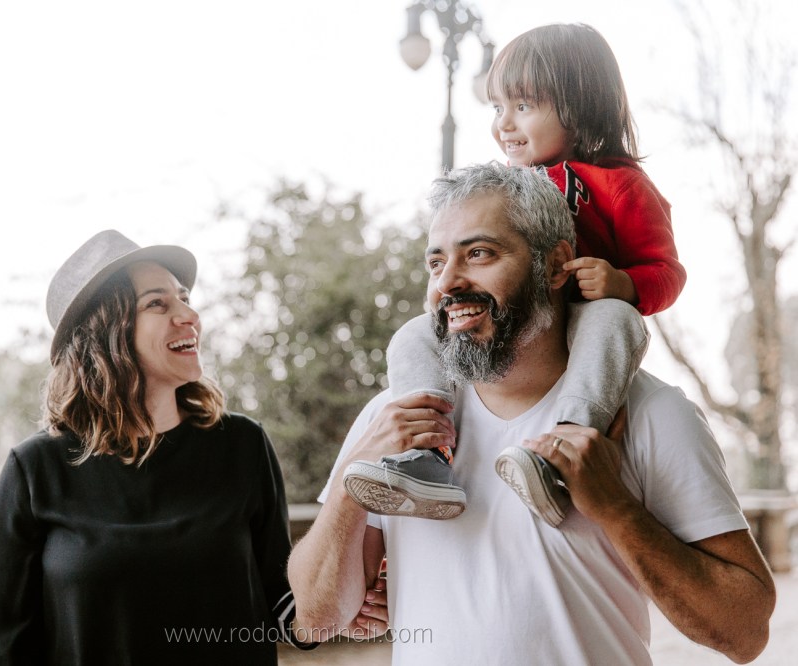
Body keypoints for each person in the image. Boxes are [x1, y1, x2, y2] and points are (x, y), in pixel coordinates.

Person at [288, 163, 775, 664]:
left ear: (556, 264)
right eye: (436, 263)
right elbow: (316, 620)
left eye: (479, 253)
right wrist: (351, 479)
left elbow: (745, 633)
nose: (448, 282)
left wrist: (615, 508)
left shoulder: (652, 413)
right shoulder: (393, 416)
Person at [0, 230, 384, 664]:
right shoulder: (34, 470)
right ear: (105, 331)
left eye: (185, 298)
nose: (189, 315)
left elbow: (286, 607)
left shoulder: (242, 446)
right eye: (158, 303)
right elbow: (4, 652)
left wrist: (343, 601)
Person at [342, 23, 687, 526]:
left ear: (580, 107)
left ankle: (563, 454)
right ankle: (425, 454)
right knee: (413, 336)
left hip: (582, 323)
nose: (504, 124)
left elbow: (668, 271)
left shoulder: (622, 184)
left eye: (522, 106)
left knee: (617, 319)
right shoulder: (503, 185)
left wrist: (625, 284)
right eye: (497, 108)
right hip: (517, 323)